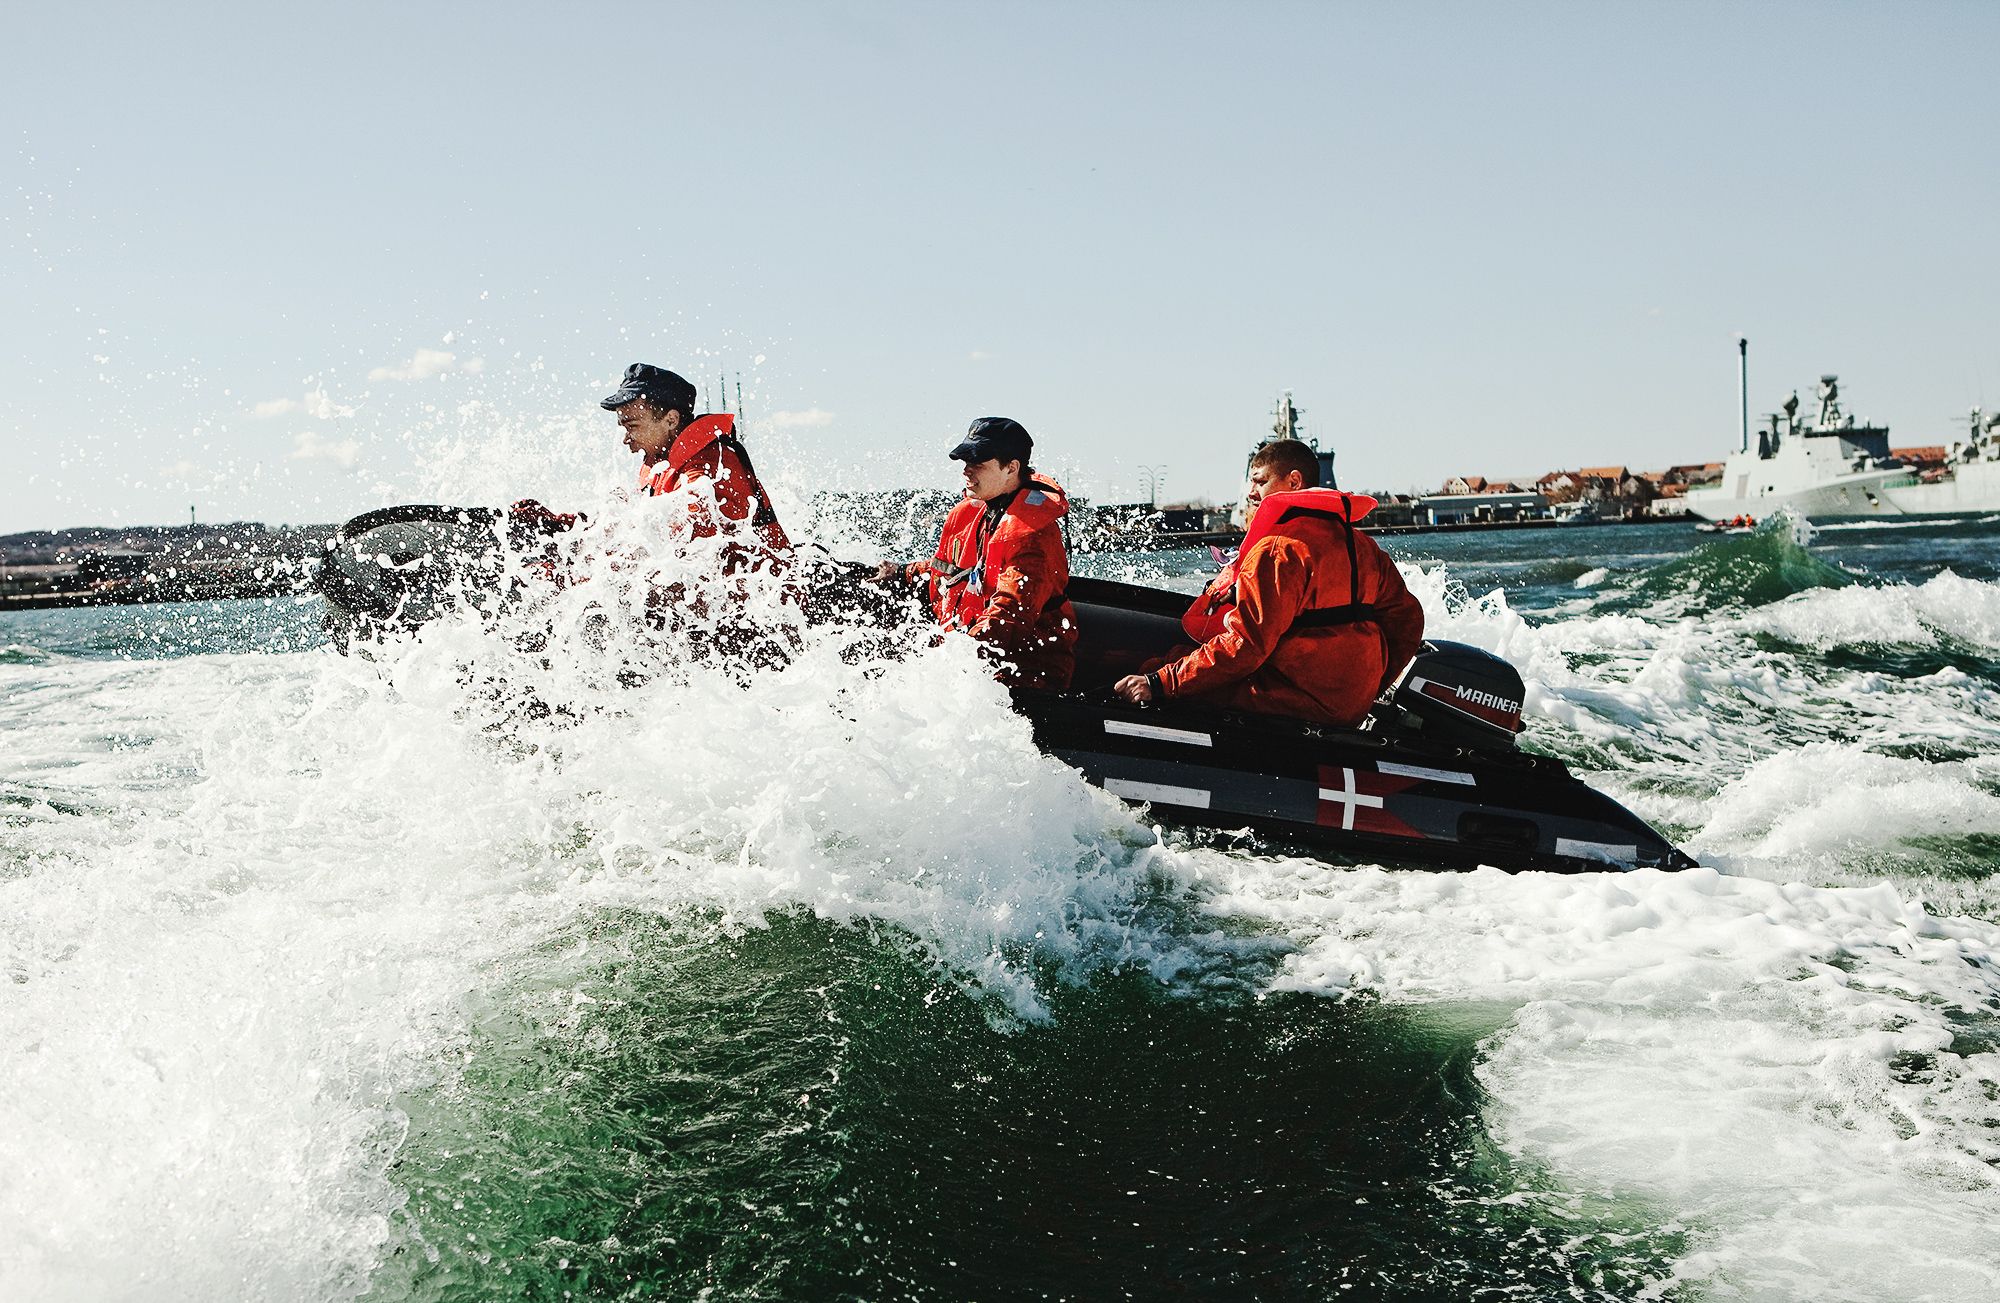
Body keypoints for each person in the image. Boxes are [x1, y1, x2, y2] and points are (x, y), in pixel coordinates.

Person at [1113, 439, 1424, 726]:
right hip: (1350, 704)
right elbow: (1408, 621)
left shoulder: (1277, 550)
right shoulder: (1363, 547)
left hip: (1295, 699)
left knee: (1160, 667)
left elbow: (1245, 647)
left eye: (1259, 481)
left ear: (1293, 482)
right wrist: (1370, 687)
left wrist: (1159, 682)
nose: (1251, 493)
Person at [507, 362, 791, 566]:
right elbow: (629, 524)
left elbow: (688, 536)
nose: (626, 439)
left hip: (759, 619)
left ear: (671, 419)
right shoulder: (660, 465)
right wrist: (563, 525)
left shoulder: (708, 465)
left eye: (632, 426)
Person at [884, 417, 1077, 689]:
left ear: (1011, 468)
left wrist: (954, 660)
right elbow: (953, 568)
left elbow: (1010, 611)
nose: (967, 472)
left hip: (1026, 676)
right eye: (965, 463)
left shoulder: (1034, 536)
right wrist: (902, 571)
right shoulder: (984, 511)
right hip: (978, 665)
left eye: (977, 464)